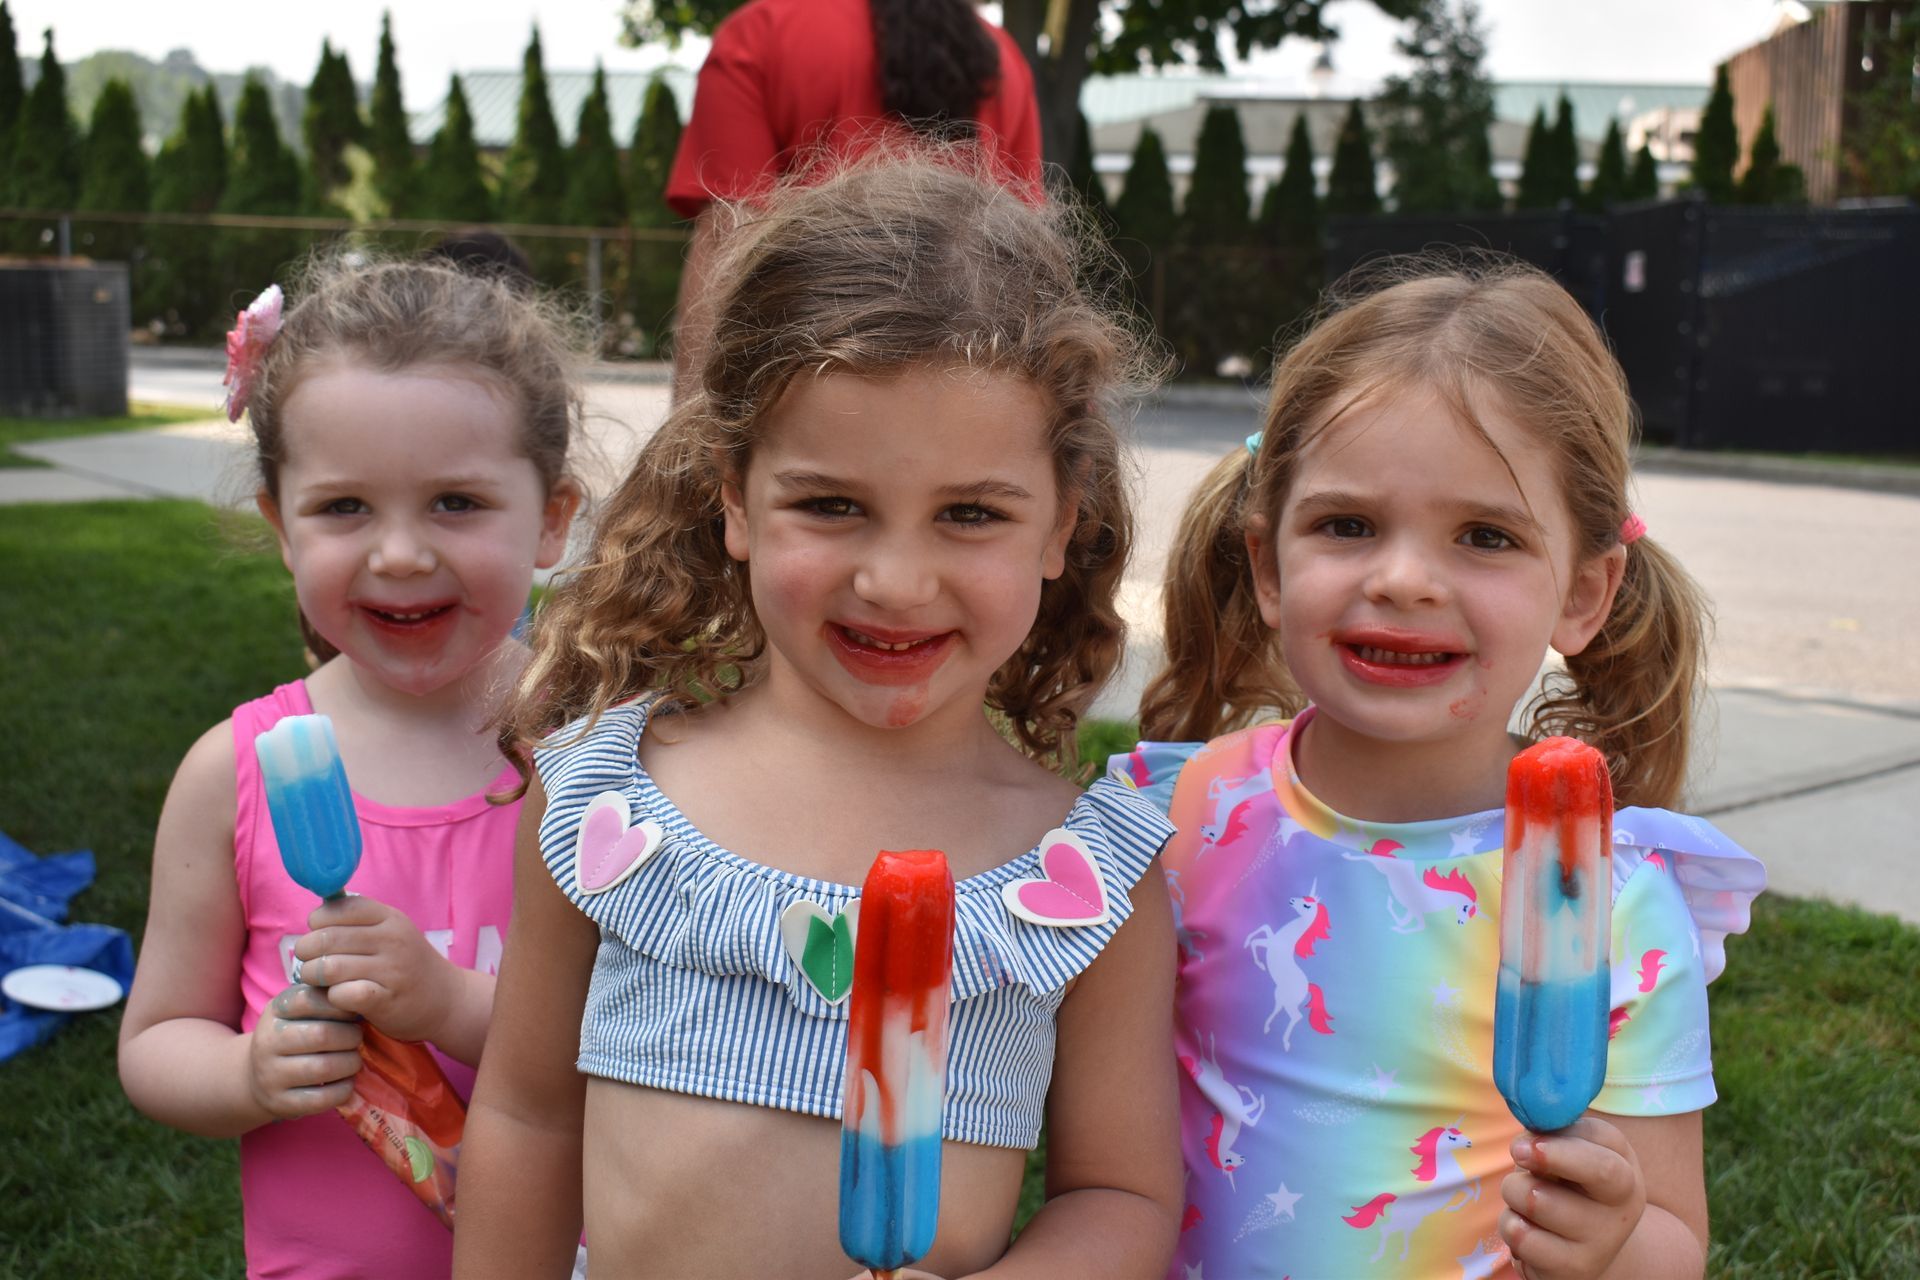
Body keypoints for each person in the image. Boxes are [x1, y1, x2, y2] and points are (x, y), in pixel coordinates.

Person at [453, 152, 1180, 1280]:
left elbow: (1121, 1194)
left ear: (1058, 526)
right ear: (736, 498)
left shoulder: (1082, 880)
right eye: (832, 504)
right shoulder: (605, 802)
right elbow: (528, 1116)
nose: (895, 579)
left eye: (971, 514)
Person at [1120, 259, 1767, 1280]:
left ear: (1584, 595)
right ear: (1268, 565)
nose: (1405, 578)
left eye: (1484, 535)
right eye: (1347, 524)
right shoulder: (1189, 814)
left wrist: (1612, 1239)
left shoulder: (1609, 900)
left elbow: (1675, 1242)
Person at [117, 256, 583, 1279]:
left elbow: (660, 1036)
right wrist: (250, 1067)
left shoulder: (597, 757)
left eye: (457, 501)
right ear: (281, 524)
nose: (402, 553)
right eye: (344, 508)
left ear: (552, 517)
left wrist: (451, 1001)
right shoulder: (231, 774)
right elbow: (155, 1040)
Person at [664, 0, 1043, 400]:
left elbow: (727, 242)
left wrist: (691, 434)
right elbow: (1029, 267)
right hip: (971, 389)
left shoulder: (759, 34)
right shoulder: (1001, 60)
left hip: (805, 390)